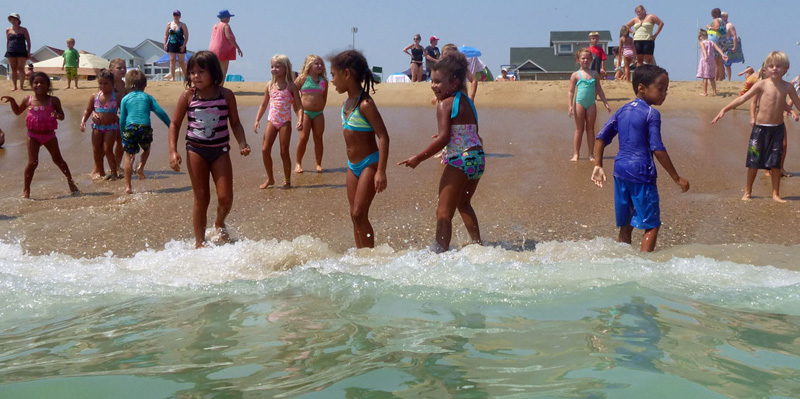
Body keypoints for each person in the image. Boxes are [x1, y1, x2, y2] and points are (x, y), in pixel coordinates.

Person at [591, 64, 689, 252]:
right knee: (651, 225)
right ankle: (645, 267)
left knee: (626, 224)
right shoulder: (652, 114)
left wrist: (598, 164)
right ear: (642, 88)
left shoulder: (622, 111)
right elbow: (657, 148)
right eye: (660, 89)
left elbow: (600, 138)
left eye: (666, 90)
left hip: (620, 171)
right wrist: (676, 178)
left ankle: (624, 262)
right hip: (642, 173)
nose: (664, 94)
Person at [399, 52, 484, 252]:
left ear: (453, 82)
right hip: (477, 159)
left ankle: (440, 250)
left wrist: (418, 158)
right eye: (432, 80)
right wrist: (444, 138)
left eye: (438, 82)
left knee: (443, 212)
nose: (433, 85)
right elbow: (469, 132)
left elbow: (445, 137)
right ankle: (478, 245)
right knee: (464, 204)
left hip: (460, 159)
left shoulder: (444, 104)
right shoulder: (466, 100)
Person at [169, 51, 251, 248]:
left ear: (214, 73)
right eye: (192, 72)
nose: (195, 76)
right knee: (201, 196)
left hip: (220, 150)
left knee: (225, 197)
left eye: (201, 72)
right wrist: (173, 151)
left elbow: (236, 123)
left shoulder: (226, 95)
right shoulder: (188, 96)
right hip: (195, 150)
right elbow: (175, 124)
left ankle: (219, 222)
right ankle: (199, 242)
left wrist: (242, 143)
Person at [711, 52, 800, 202]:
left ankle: (776, 194)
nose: (774, 69)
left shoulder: (788, 87)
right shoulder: (761, 84)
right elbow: (743, 98)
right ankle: (748, 191)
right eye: (771, 66)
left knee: (775, 163)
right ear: (765, 68)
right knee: (753, 162)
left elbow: (798, 104)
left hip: (777, 129)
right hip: (760, 129)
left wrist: (792, 112)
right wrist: (724, 109)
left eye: (778, 66)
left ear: (786, 68)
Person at [329, 50, 389, 248]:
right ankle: (360, 255)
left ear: (346, 74)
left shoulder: (365, 104)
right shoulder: (346, 103)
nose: (332, 80)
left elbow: (383, 136)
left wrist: (381, 171)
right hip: (352, 166)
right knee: (354, 215)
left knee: (359, 213)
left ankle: (370, 256)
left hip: (369, 165)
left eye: (333, 75)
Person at [1, 72, 79, 198]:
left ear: (48, 85)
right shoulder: (28, 99)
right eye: (36, 82)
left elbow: (62, 116)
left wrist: (57, 115)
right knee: (32, 163)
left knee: (58, 160)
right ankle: (26, 190)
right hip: (33, 136)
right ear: (32, 85)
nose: (39, 85)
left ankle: (71, 182)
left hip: (49, 135)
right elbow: (17, 112)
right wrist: (12, 101)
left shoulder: (53, 100)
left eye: (42, 82)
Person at [253, 54, 302, 188]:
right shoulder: (270, 85)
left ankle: (287, 180)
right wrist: (257, 119)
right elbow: (263, 105)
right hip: (272, 121)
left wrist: (300, 118)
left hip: (285, 122)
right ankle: (270, 178)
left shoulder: (291, 86)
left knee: (283, 151)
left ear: (286, 68)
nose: (274, 69)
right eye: (272, 66)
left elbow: (298, 106)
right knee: (264, 149)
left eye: (277, 66)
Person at [119, 70, 171, 194]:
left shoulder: (125, 99)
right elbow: (160, 112)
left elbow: (122, 120)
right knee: (146, 150)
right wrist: (170, 125)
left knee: (129, 157)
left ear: (127, 84)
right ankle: (141, 167)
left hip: (130, 128)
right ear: (144, 85)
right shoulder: (148, 97)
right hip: (144, 128)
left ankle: (128, 187)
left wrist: (122, 136)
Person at [568, 48, 611, 162]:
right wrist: (570, 106)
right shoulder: (576, 75)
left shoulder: (594, 74)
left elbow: (599, 89)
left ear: (591, 59)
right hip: (579, 103)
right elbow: (571, 91)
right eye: (583, 58)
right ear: (578, 60)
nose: (585, 60)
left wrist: (605, 103)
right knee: (579, 129)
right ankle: (576, 154)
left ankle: (591, 154)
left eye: (588, 58)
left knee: (590, 129)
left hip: (591, 103)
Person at [79, 69, 119, 180]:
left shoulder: (116, 97)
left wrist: (119, 118)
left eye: (106, 83)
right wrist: (83, 122)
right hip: (97, 127)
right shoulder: (94, 96)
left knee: (107, 150)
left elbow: (124, 111)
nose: (103, 86)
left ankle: (114, 172)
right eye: (100, 83)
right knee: (96, 150)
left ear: (112, 84)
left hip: (111, 127)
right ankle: (100, 173)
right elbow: (88, 110)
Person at [294, 54, 328, 173]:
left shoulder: (324, 81)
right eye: (316, 63)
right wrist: (298, 112)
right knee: (303, 138)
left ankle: (318, 163)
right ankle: (298, 163)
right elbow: (293, 93)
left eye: (321, 64)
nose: (319, 66)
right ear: (309, 65)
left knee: (318, 138)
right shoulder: (302, 78)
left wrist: (320, 108)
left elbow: (324, 97)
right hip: (305, 113)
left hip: (319, 113)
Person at [208, 9, 243, 84]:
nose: (229, 19)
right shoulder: (225, 25)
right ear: (225, 17)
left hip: (212, 49)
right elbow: (229, 37)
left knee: (215, 70)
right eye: (228, 17)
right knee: (223, 70)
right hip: (222, 50)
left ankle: (213, 86)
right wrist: (238, 48)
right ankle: (220, 88)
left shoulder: (215, 26)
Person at [696, 29, 727, 96]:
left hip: (705, 60)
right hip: (712, 60)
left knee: (705, 77)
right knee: (712, 78)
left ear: (701, 37)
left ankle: (705, 92)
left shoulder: (702, 43)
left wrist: (706, 56)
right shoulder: (711, 42)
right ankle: (714, 92)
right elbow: (718, 48)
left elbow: (704, 50)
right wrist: (722, 54)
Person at [5, 13, 30, 92]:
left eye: (15, 19)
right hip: (11, 51)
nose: (13, 20)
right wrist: (7, 50)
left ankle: (21, 86)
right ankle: (14, 86)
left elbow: (28, 42)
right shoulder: (8, 30)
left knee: (21, 68)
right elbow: (8, 41)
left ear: (18, 20)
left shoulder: (24, 29)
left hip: (21, 51)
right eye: (12, 19)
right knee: (13, 69)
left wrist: (28, 52)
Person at [163, 10, 188, 82]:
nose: (176, 16)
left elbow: (186, 36)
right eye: (174, 15)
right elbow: (166, 35)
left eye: (177, 15)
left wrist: (184, 45)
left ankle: (186, 76)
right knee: (172, 60)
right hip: (171, 43)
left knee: (181, 61)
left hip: (180, 43)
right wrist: (165, 44)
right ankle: (173, 77)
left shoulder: (183, 25)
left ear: (180, 16)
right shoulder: (169, 24)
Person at [720, 12, 743, 81]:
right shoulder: (720, 25)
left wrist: (735, 47)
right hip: (721, 45)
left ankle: (728, 79)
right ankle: (720, 78)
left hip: (728, 45)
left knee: (727, 63)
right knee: (719, 62)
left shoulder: (729, 25)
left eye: (721, 16)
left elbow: (734, 36)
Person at [705, 8, 726, 81]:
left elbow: (716, 28)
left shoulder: (716, 20)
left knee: (716, 61)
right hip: (722, 41)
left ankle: (716, 78)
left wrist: (709, 27)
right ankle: (720, 78)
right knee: (720, 62)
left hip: (716, 40)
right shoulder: (722, 20)